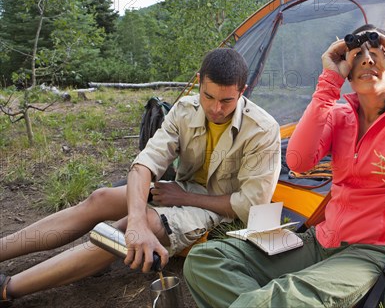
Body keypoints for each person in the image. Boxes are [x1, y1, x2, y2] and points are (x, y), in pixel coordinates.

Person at [183, 25, 385, 307]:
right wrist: (328, 82)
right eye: (357, 55)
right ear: (347, 69)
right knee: (206, 259)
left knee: (282, 297)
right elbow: (298, 160)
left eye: (377, 54)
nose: (368, 60)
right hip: (322, 241)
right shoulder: (340, 115)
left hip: (377, 255)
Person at [0, 48, 281, 304]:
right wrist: (137, 218)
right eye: (208, 96)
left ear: (242, 91)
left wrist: (181, 198)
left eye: (226, 101)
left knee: (132, 226)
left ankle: (9, 289)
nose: (216, 109)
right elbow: (144, 164)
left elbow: (250, 204)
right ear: (199, 82)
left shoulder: (263, 129)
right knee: (101, 198)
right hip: (182, 188)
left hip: (220, 209)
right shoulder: (185, 110)